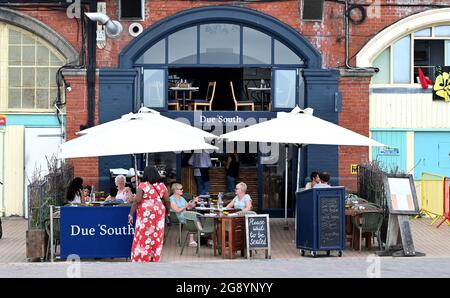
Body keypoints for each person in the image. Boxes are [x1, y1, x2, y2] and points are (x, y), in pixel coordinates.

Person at [128, 166, 170, 262]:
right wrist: (168, 212)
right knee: (157, 234)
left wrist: (130, 214)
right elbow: (167, 200)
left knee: (144, 234)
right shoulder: (162, 186)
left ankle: (142, 257)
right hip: (159, 211)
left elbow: (137, 200)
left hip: (146, 212)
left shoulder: (143, 185)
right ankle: (154, 257)